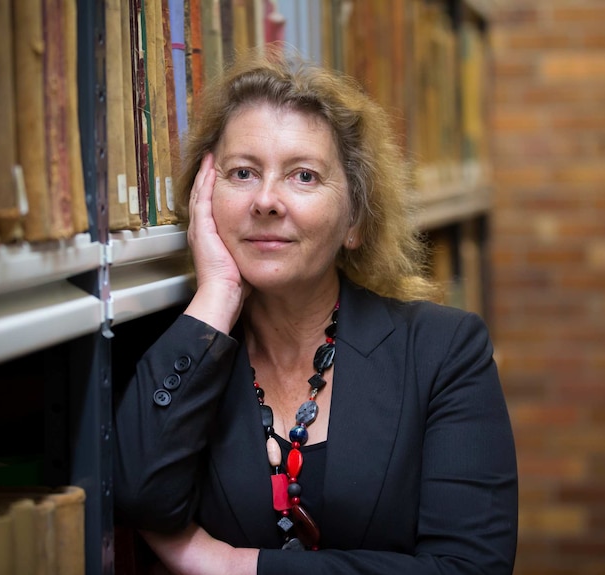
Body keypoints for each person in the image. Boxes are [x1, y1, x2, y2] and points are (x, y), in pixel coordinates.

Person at [113, 50, 517, 574]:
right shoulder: (175, 346)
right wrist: (217, 291)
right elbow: (137, 498)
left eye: (303, 176)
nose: (266, 200)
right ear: (203, 197)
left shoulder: (444, 351)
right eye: (241, 172)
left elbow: (471, 568)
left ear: (355, 220)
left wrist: (237, 567)